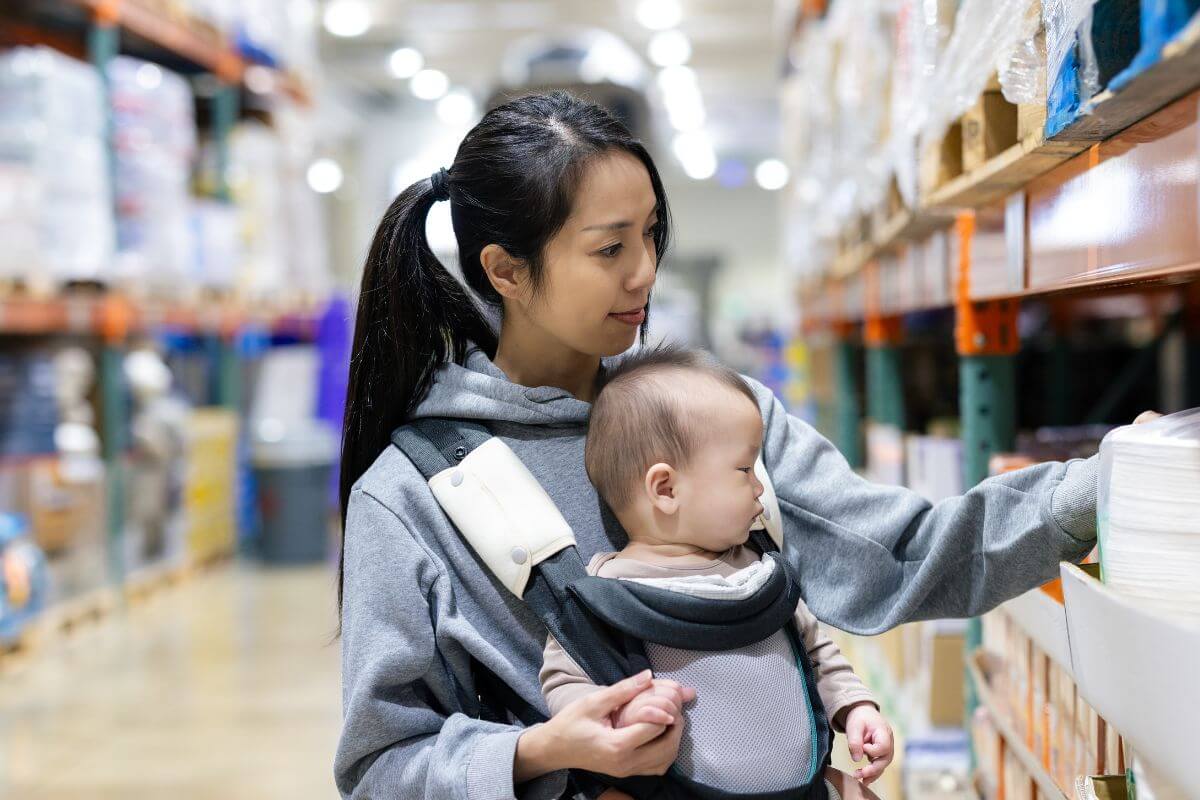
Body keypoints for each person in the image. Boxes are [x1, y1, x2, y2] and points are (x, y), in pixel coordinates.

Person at [335, 91, 1100, 800]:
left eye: (651, 234)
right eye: (609, 250)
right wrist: (538, 752)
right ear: (504, 270)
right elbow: (378, 766)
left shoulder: (713, 416)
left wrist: (1096, 492)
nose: (645, 272)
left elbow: (902, 552)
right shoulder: (414, 495)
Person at [539, 346, 890, 800]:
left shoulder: (762, 576)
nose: (761, 488)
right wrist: (617, 718)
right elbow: (565, 682)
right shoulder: (606, 599)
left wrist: (855, 707)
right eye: (745, 469)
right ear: (665, 488)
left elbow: (817, 653)